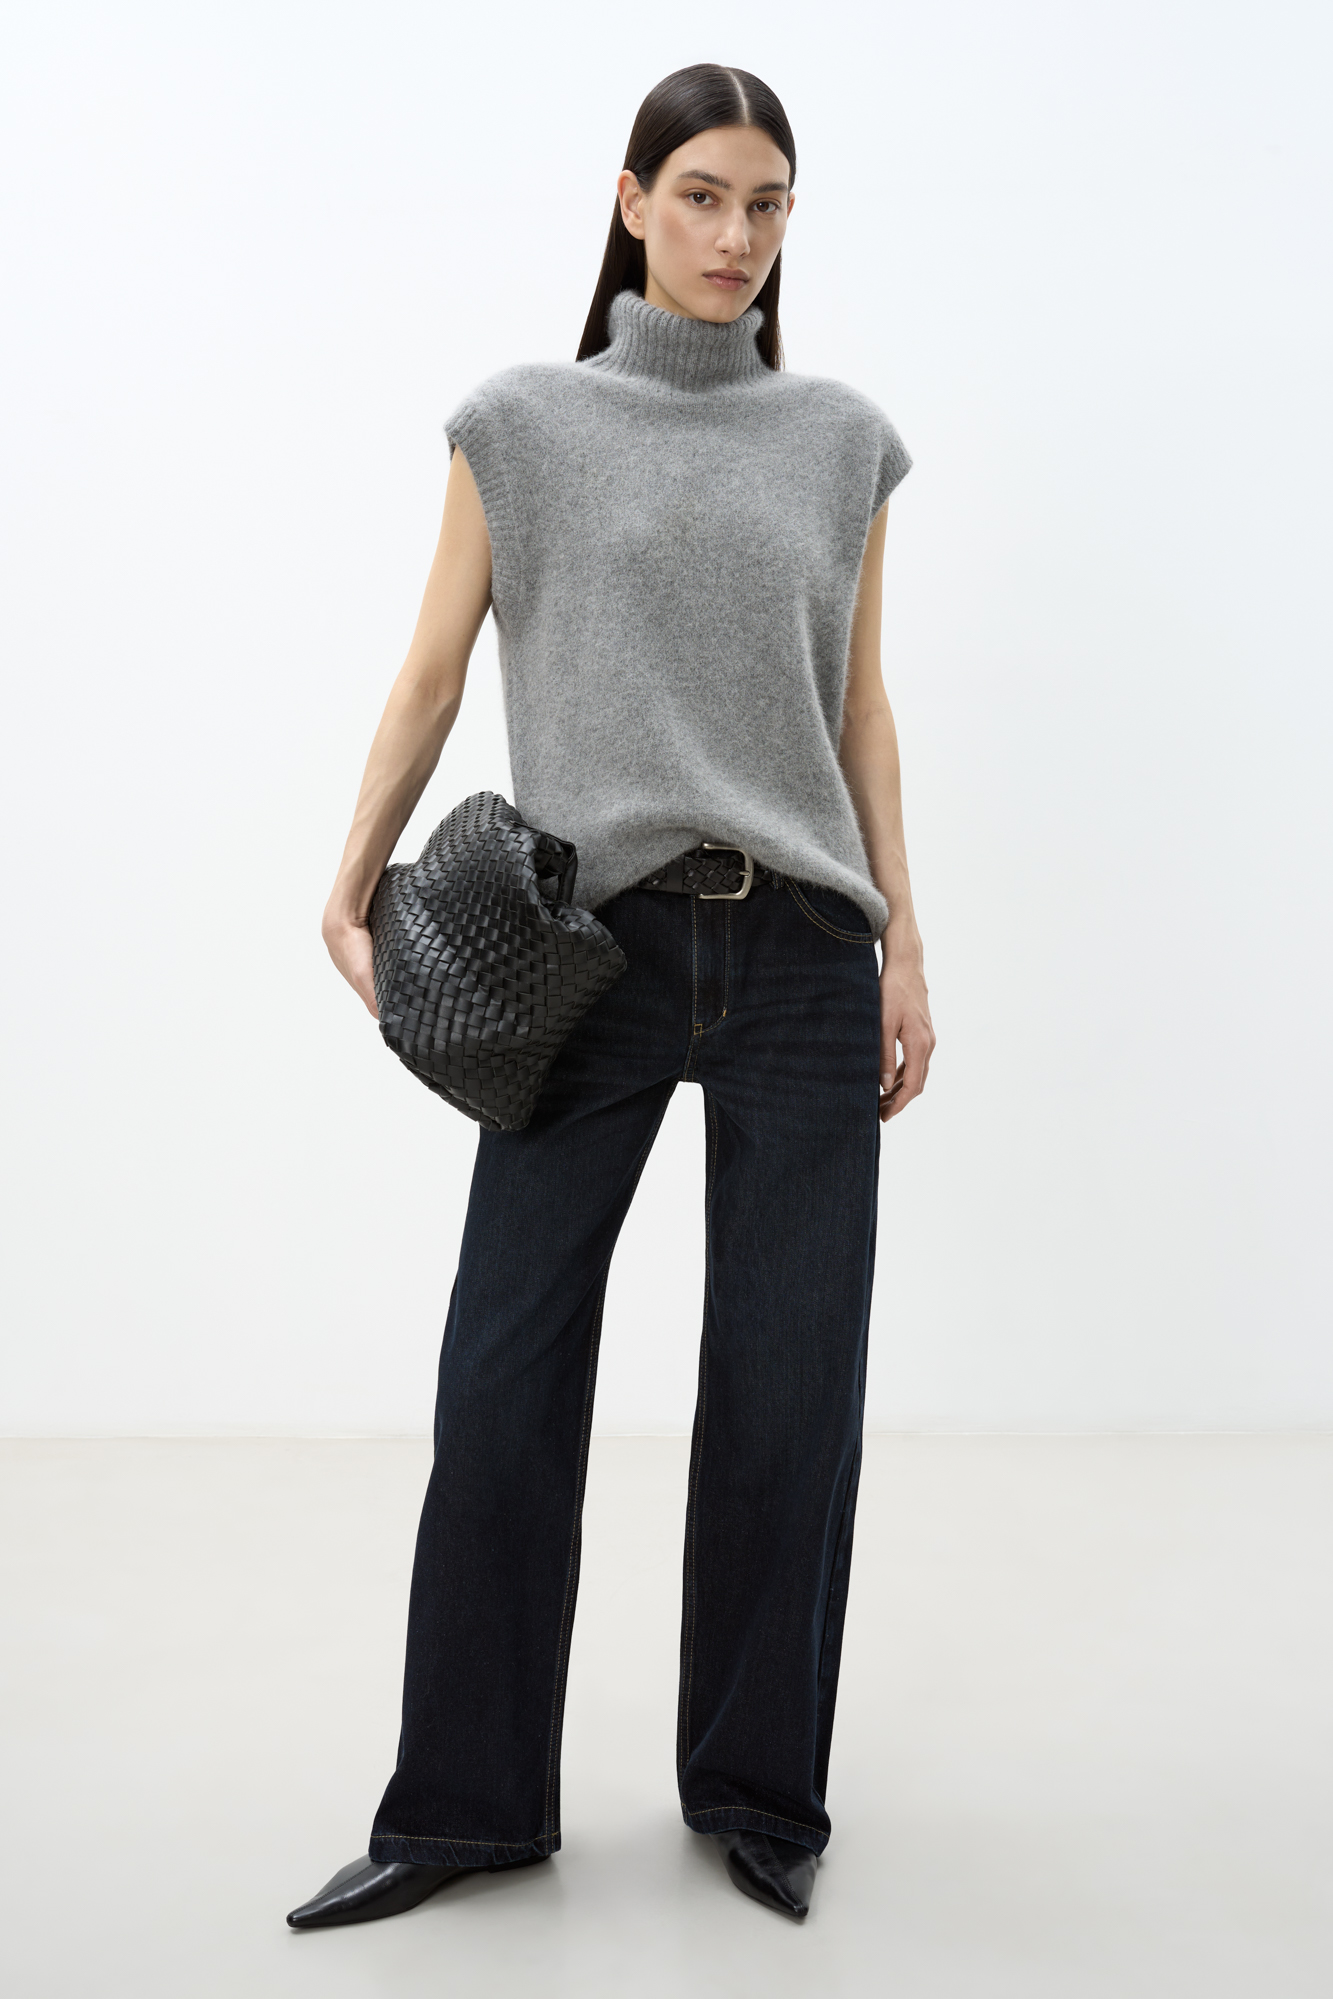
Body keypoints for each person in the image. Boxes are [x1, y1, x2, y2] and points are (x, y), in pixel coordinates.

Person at [289, 61, 934, 1932]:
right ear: (632, 199)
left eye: (768, 204)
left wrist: (903, 938)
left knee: (789, 1394)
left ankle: (758, 1793)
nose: (736, 237)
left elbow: (859, 708)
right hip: (588, 950)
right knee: (503, 1379)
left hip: (802, 955)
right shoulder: (524, 425)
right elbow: (431, 672)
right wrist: (350, 871)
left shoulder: (841, 442)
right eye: (704, 196)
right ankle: (464, 1804)